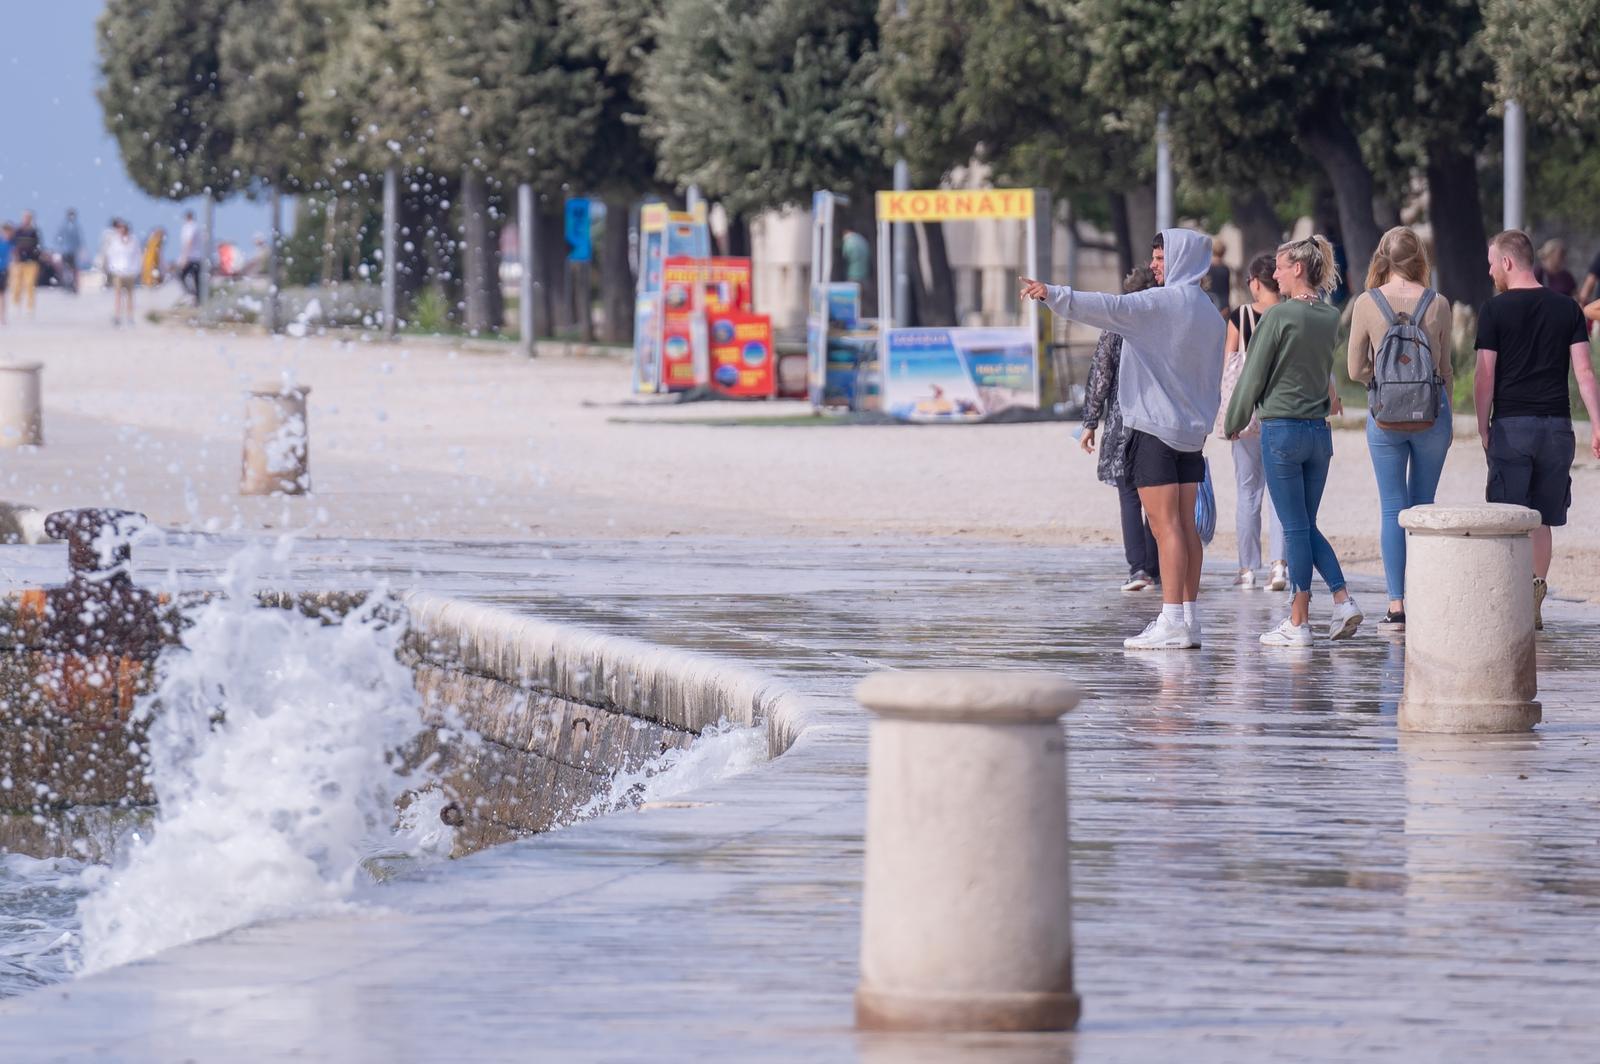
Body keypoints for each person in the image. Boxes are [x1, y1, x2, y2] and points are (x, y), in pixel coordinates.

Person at [1020, 229, 1225, 650]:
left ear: (1182, 259)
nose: (1154, 266)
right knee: (1185, 527)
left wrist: (1052, 293)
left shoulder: (1159, 303)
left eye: (1161, 259)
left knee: (1164, 527)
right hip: (1191, 434)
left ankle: (1169, 621)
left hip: (1153, 429)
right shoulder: (1207, 310)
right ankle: (1189, 618)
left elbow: (1108, 307)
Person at [1224, 236, 1364, 646]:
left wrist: (1233, 419)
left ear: (1298, 269)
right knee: (1303, 525)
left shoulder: (1278, 316)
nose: (1276, 274)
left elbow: (1253, 376)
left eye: (1281, 267)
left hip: (1282, 430)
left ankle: (1299, 622)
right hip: (1318, 433)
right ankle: (1341, 600)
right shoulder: (1328, 315)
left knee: (1296, 527)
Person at [1475, 229, 1600, 629]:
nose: (1490, 268)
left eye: (1493, 261)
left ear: (1508, 262)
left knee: (1509, 516)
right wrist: (1597, 425)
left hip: (1513, 426)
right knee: (1543, 518)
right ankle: (1535, 591)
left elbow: (1485, 375)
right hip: (1557, 427)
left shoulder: (1494, 311)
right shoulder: (1567, 309)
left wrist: (1482, 427)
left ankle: (1510, 600)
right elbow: (1584, 373)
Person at [1347, 226, 1455, 632]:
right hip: (1432, 413)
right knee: (1423, 504)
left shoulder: (1366, 303)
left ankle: (1396, 606)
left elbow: (1355, 369)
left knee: (1393, 507)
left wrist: (1385, 378)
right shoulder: (1438, 303)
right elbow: (1444, 368)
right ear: (1420, 259)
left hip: (1384, 416)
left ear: (1382, 259)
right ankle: (1425, 596)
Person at [1081, 266, 1161, 592]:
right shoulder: (1163, 327)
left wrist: (1089, 422)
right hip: (1158, 420)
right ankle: (1156, 567)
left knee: (1129, 495)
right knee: (1157, 496)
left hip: (1122, 420)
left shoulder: (1115, 329)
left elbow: (1100, 377)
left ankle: (1138, 569)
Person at [1216, 253, 1288, 590]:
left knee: (1247, 492)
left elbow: (1228, 366)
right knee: (1280, 492)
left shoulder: (1241, 316)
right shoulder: (1290, 315)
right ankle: (1280, 567)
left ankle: (1247, 569)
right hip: (1280, 410)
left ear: (1256, 283)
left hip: (1246, 415)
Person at [105, 219, 141, 326]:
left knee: (130, 296)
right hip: (118, 272)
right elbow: (110, 255)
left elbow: (137, 256)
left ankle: (130, 316)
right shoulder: (114, 241)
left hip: (130, 272)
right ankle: (117, 316)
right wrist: (113, 269)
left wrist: (137, 269)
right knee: (118, 295)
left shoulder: (133, 240)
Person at [10, 210, 41, 314]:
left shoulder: (34, 232)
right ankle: (16, 304)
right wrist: (15, 255)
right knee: (16, 284)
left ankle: (30, 307)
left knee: (30, 284)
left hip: (31, 262)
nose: (27, 219)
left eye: (28, 217)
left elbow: (37, 246)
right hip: (19, 262)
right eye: (25, 217)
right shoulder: (18, 231)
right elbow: (13, 245)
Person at [55, 209, 83, 294]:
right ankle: (66, 285)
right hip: (66, 251)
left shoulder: (75, 227)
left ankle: (72, 286)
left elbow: (78, 240)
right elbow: (58, 238)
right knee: (66, 269)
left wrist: (80, 249)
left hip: (72, 252)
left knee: (72, 270)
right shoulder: (64, 226)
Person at [177, 210, 201, 304]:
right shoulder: (196, 227)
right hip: (197, 257)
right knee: (197, 280)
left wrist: (184, 257)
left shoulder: (189, 227)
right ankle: (198, 300)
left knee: (181, 275)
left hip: (191, 257)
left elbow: (188, 242)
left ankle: (192, 294)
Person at [1204, 237, 1231, 314]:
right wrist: (1226, 306)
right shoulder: (1225, 269)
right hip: (1222, 304)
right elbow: (1226, 290)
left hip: (1208, 302)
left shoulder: (1206, 268)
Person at [0, 224, 10, 326]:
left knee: (2, 295)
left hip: (3, 270)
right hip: (3, 270)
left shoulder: (6, 242)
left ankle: (2, 317)